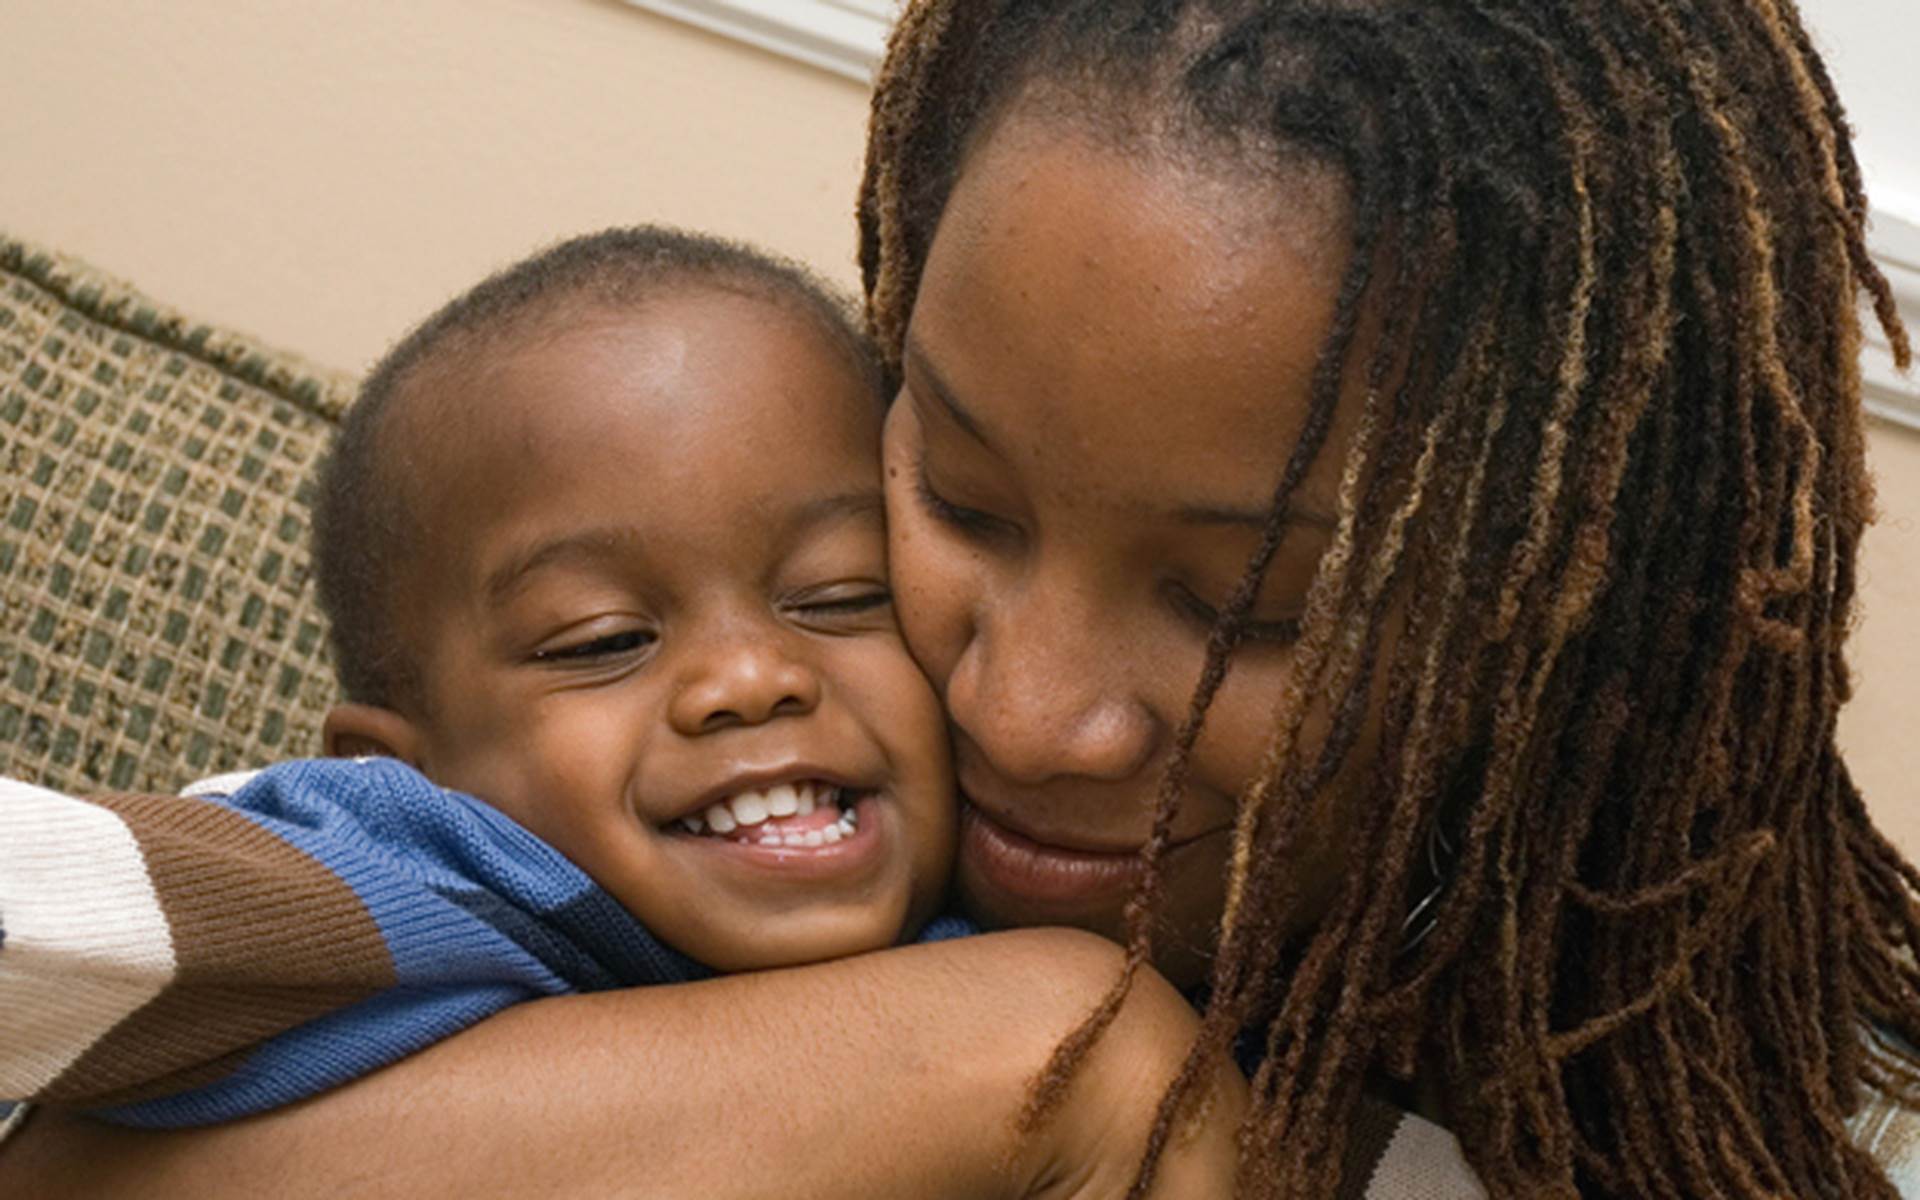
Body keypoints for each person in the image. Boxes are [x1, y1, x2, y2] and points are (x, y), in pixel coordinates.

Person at [2, 0, 1916, 1195]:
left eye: (1250, 614)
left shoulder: (1602, 1141)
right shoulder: (538, 835)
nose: (1023, 712)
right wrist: (1018, 1061)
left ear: (1567, 623)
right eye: (961, 502)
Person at [1, 225, 978, 1124]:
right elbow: (49, 917)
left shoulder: (1003, 899)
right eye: (603, 641)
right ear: (400, 773)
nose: (755, 677)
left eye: (843, 593)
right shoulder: (421, 880)